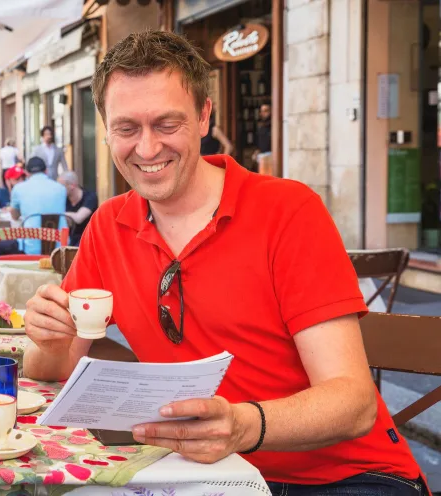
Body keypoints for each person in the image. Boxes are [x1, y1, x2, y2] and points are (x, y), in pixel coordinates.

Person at [21, 30, 426, 494]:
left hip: (345, 478)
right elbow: (50, 368)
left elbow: (354, 403)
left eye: (167, 124)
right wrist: (49, 338)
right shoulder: (108, 226)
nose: (147, 149)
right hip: (205, 477)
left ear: (203, 117)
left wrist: (243, 425)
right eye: (127, 129)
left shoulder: (288, 211)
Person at [9, 156, 67, 255]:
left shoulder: (18, 188)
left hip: (30, 248)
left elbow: (14, 216)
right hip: (60, 247)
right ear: (46, 171)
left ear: (26, 173)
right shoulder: (61, 188)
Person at [58, 171, 98, 247]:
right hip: (70, 241)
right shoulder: (63, 199)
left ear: (72, 186)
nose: (59, 189)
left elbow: (79, 218)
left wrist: (60, 213)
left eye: (62, 186)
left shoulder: (90, 197)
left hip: (88, 240)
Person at [254, 104, 272, 174]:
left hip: (270, 155)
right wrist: (256, 151)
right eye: (261, 111)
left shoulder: (274, 125)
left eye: (265, 111)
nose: (263, 113)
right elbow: (259, 141)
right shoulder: (261, 126)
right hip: (261, 156)